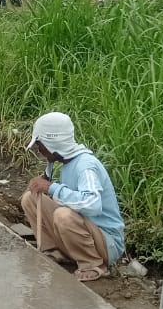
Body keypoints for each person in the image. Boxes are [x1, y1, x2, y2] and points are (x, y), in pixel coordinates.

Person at [20, 112, 125, 282]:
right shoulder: (62, 162)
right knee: (30, 199)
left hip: (106, 242)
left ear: (52, 142)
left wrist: (52, 187)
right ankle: (55, 251)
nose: (38, 150)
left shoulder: (85, 165)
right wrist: (44, 183)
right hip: (84, 234)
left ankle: (93, 264)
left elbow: (92, 204)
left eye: (40, 145)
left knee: (63, 215)